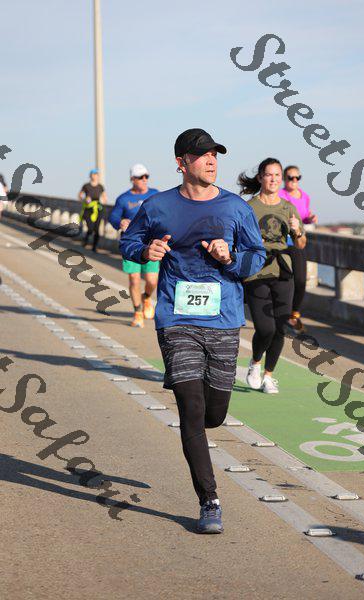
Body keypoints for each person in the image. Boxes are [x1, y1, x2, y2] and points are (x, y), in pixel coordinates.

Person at [120, 128, 266, 534]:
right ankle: (209, 500)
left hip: (224, 319)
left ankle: (203, 428)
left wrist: (230, 257)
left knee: (213, 414)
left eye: (214, 154)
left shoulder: (235, 207)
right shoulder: (158, 206)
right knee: (191, 407)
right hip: (176, 318)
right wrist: (145, 250)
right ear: (181, 162)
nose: (211, 161)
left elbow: (256, 256)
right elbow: (129, 241)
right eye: (202, 155)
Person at [238, 158, 306, 394]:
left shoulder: (288, 208)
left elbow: (301, 244)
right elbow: (238, 239)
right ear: (260, 178)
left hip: (283, 271)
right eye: (269, 174)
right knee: (265, 328)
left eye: (278, 175)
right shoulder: (249, 207)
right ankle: (255, 362)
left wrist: (296, 230)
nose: (274, 179)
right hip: (256, 272)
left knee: (280, 328)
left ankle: (268, 376)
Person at [109, 164, 159, 327]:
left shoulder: (155, 195)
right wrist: (120, 222)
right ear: (132, 179)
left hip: (150, 244)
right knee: (134, 280)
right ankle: (137, 312)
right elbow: (113, 217)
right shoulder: (123, 199)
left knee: (152, 281)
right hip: (130, 245)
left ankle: (146, 298)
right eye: (140, 177)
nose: (144, 180)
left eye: (146, 176)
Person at [279, 165, 317, 332]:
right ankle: (281, 313)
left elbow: (304, 217)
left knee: (301, 280)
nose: (294, 180)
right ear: (284, 179)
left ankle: (294, 314)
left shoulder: (305, 196)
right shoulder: (280, 195)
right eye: (290, 177)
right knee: (284, 279)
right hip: (281, 242)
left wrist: (310, 218)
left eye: (297, 177)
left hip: (297, 241)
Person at [78, 169, 107, 252]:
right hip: (88, 209)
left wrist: (103, 200)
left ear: (98, 176)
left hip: (98, 209)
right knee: (90, 228)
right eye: (93, 174)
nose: (94, 176)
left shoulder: (100, 186)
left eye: (96, 174)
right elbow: (80, 195)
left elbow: (105, 197)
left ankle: (94, 247)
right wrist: (85, 199)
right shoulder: (86, 186)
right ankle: (86, 239)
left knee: (97, 229)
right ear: (90, 176)